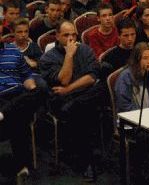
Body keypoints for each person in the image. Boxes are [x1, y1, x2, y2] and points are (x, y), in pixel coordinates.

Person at [39, 20, 104, 181]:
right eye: (66, 35)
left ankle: (87, 158)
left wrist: (69, 89)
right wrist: (69, 55)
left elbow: (91, 77)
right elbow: (64, 80)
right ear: (57, 36)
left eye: (73, 34)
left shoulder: (85, 50)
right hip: (63, 101)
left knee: (98, 90)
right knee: (83, 110)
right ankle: (89, 161)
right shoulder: (48, 58)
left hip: (81, 96)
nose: (71, 39)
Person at [0, 23, 45, 184]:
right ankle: (21, 167)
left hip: (17, 95)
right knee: (18, 119)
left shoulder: (13, 52)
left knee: (38, 90)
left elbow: (26, 75)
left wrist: (31, 86)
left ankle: (4, 112)